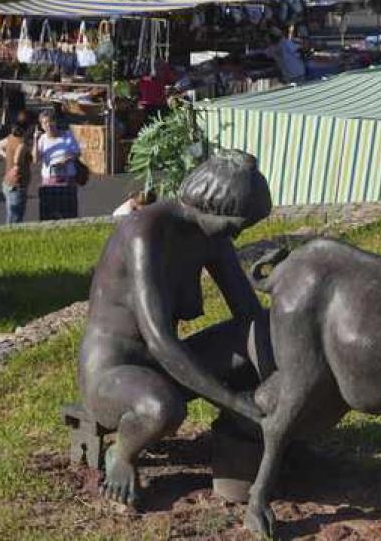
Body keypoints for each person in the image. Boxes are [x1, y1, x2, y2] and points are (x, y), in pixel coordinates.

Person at [78, 152, 275, 507]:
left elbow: (249, 314)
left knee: (261, 335)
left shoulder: (211, 237)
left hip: (161, 366)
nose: (238, 233)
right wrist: (233, 400)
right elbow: (159, 339)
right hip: (112, 372)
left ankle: (243, 443)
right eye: (234, 224)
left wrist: (277, 378)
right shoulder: (143, 233)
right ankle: (121, 455)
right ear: (210, 205)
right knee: (162, 409)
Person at [34, 109, 82, 221]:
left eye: (50, 121)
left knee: (69, 213)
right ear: (41, 125)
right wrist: (35, 140)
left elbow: (77, 153)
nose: (48, 125)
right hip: (49, 180)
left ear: (55, 122)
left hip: (67, 179)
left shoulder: (67, 136)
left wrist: (65, 161)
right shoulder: (42, 139)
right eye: (45, 123)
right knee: (49, 214)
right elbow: (35, 159)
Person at [0, 117, 33, 224]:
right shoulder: (22, 143)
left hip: (7, 183)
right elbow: (17, 158)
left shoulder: (10, 138)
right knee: (15, 218)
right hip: (17, 185)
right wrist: (17, 165)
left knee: (10, 213)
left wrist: (6, 156)